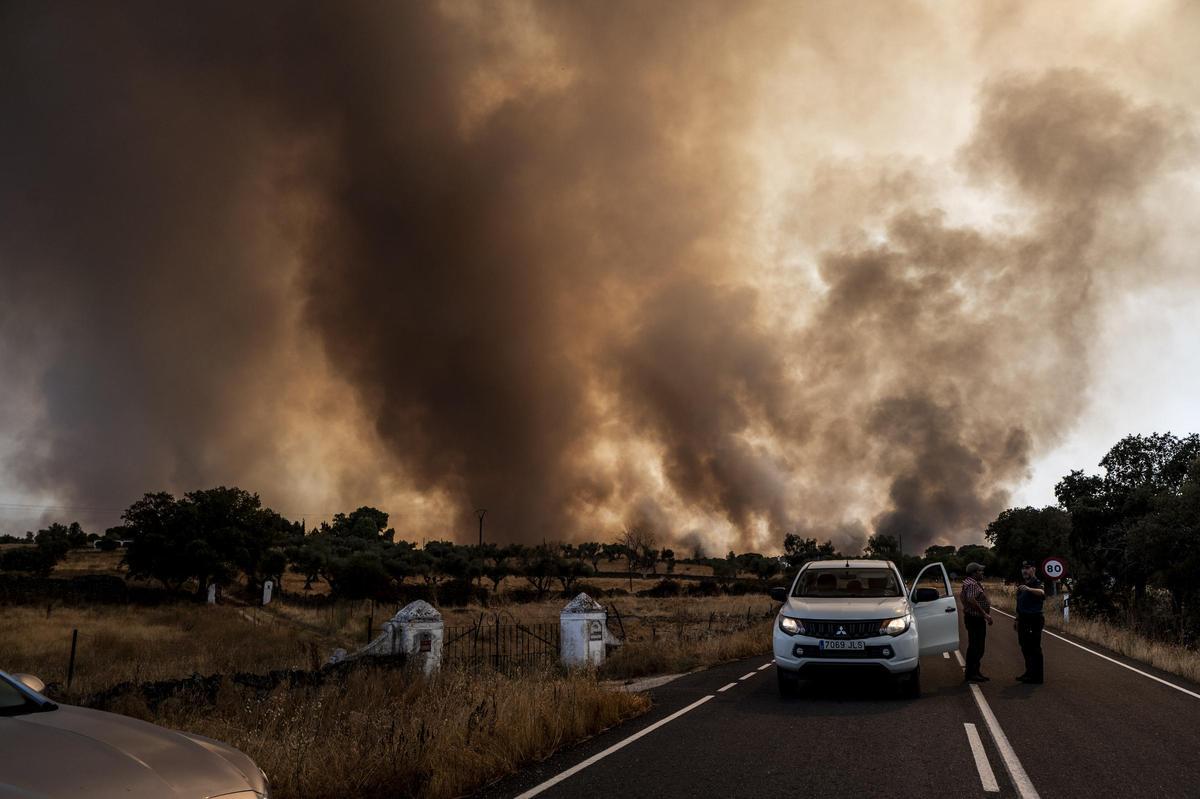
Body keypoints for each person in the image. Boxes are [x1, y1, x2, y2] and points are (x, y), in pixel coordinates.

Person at [960, 562, 993, 682]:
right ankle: (971, 674)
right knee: (976, 647)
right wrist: (984, 614)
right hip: (975, 619)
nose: (982, 573)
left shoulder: (969, 583)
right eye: (980, 571)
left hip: (973, 618)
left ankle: (975, 672)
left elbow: (963, 598)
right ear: (974, 573)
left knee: (977, 646)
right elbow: (971, 599)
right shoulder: (972, 584)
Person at [1015, 560, 1046, 684]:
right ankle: (1029, 672)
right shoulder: (1023, 585)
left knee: (1034, 648)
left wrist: (1029, 589)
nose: (1024, 570)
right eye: (1023, 568)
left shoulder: (1036, 583)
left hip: (1034, 619)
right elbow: (1019, 604)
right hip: (1023, 619)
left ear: (1033, 569)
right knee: (1025, 647)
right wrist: (1017, 619)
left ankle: (1037, 676)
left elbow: (1042, 593)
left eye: (1027, 568)